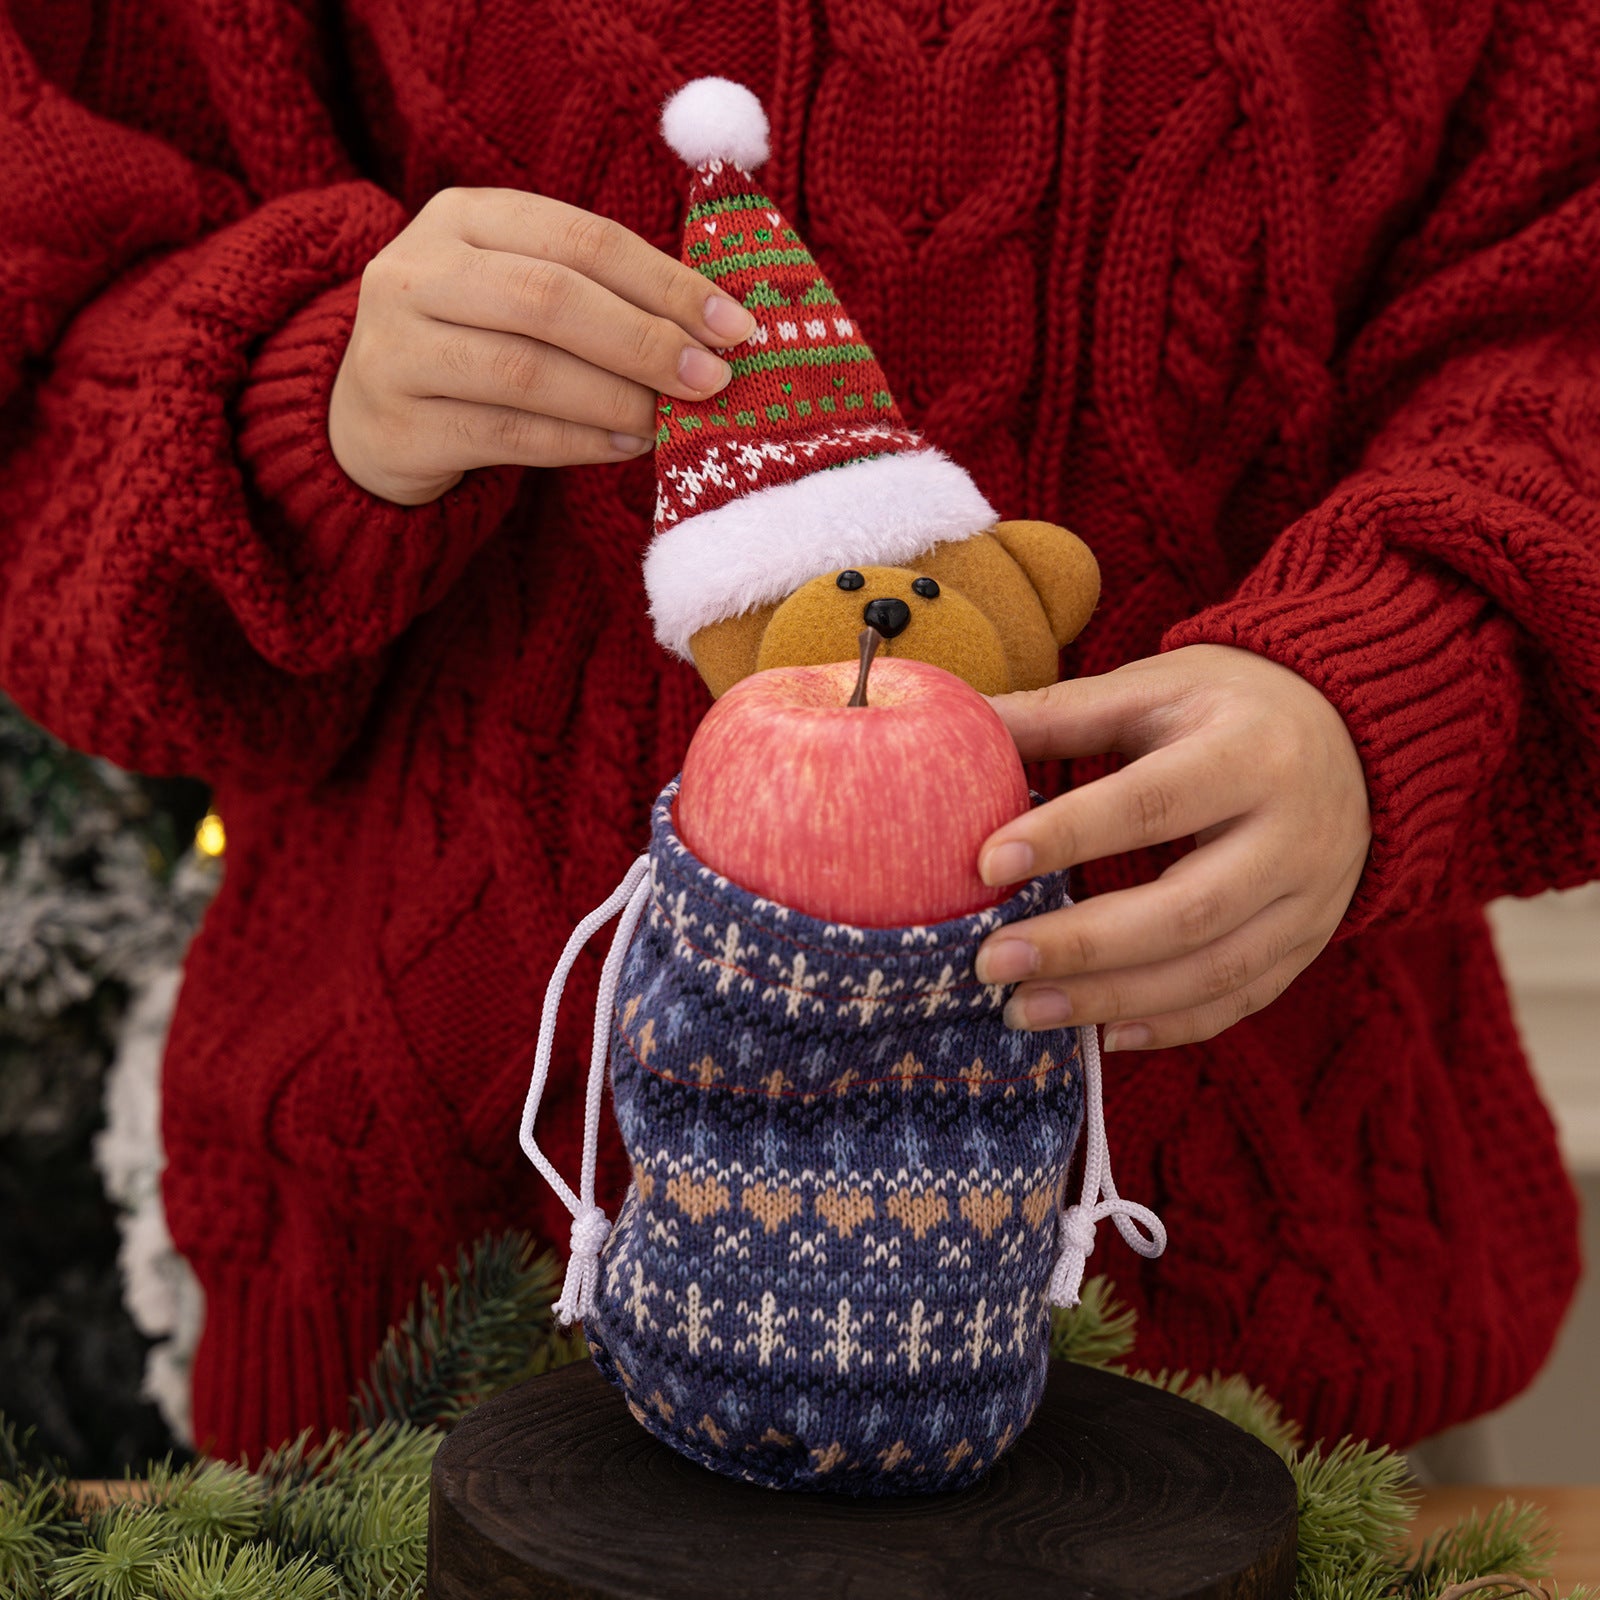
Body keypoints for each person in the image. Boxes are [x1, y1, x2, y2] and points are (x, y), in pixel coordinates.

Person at [1, 0, 1593, 1464]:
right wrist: (296, 401)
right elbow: (49, 328)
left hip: (1252, 1342)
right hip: (437, 1325)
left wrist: (1404, 668)